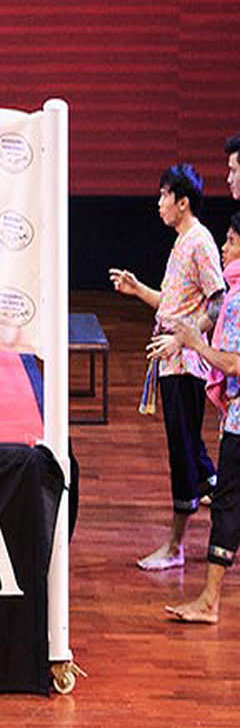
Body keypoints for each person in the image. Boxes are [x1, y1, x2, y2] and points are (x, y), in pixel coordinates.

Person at [112, 164, 225, 570]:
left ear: (183, 203)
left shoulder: (200, 242)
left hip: (185, 363)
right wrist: (137, 289)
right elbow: (172, 304)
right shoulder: (183, 242)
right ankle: (221, 500)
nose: (159, 203)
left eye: (164, 196)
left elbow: (218, 301)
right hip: (171, 362)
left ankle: (176, 547)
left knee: (184, 452)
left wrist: (183, 339)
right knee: (192, 450)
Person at [151, 212, 240, 622]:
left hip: (226, 407)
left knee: (224, 500)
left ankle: (206, 598)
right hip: (224, 408)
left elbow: (234, 362)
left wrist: (192, 342)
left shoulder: (233, 298)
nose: (225, 248)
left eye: (231, 241)